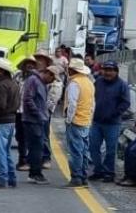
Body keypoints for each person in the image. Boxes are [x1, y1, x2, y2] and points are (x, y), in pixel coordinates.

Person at [89, 60, 129, 183]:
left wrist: (114, 114)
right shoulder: (98, 82)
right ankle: (98, 171)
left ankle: (109, 172)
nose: (107, 73)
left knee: (111, 150)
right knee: (93, 147)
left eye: (110, 70)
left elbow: (126, 102)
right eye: (106, 70)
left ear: (116, 72)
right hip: (96, 121)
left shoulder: (122, 85)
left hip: (113, 123)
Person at [22, 63, 56, 184]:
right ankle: (35, 173)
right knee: (36, 147)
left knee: (37, 147)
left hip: (38, 120)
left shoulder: (41, 83)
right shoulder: (34, 80)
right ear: (48, 74)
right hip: (32, 120)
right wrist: (38, 114)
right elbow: (28, 99)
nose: (52, 81)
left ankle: (34, 172)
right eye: (52, 77)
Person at [64, 57, 95, 188]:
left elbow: (72, 103)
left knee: (75, 151)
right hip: (86, 120)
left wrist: (68, 119)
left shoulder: (74, 83)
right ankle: (83, 176)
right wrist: (90, 118)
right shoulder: (89, 82)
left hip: (76, 120)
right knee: (84, 150)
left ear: (72, 70)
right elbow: (93, 103)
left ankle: (76, 177)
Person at [0, 58, 20, 188]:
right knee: (6, 151)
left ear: (1, 71)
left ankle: (2, 179)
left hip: (2, 121)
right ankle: (12, 178)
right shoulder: (14, 84)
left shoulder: (2, 85)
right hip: (11, 120)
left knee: (1, 152)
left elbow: (0, 105)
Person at [35, 50, 61, 170]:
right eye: (38, 58)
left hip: (44, 110)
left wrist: (45, 110)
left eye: (41, 59)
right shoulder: (34, 75)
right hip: (33, 110)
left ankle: (46, 157)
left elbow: (52, 98)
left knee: (44, 134)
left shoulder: (52, 77)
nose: (39, 61)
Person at [14, 56, 37, 171]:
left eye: (32, 64)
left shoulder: (35, 79)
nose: (29, 66)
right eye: (27, 63)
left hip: (30, 112)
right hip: (18, 111)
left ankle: (27, 160)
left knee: (29, 137)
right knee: (20, 137)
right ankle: (22, 160)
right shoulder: (17, 76)